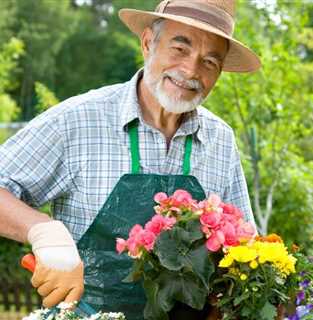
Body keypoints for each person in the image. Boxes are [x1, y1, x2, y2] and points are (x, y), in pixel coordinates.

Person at [0, 0, 260, 318]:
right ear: (148, 42)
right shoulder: (77, 120)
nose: (191, 71)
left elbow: (246, 244)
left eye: (209, 61)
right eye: (180, 48)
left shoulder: (220, 139)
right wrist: (42, 230)